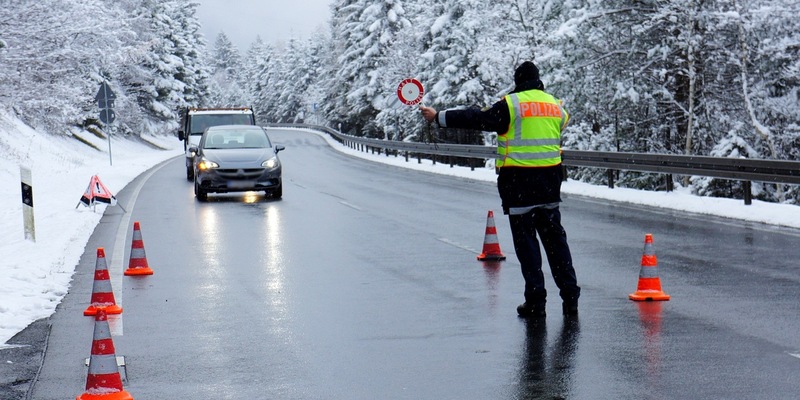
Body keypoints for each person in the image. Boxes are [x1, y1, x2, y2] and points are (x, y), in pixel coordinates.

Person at [419, 61, 580, 318]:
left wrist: (439, 117)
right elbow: (560, 126)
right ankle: (570, 297)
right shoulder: (555, 106)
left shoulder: (511, 104)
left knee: (527, 246)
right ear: (538, 80)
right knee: (556, 243)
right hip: (549, 184)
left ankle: (536, 301)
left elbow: (477, 118)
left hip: (520, 184)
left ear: (518, 81)